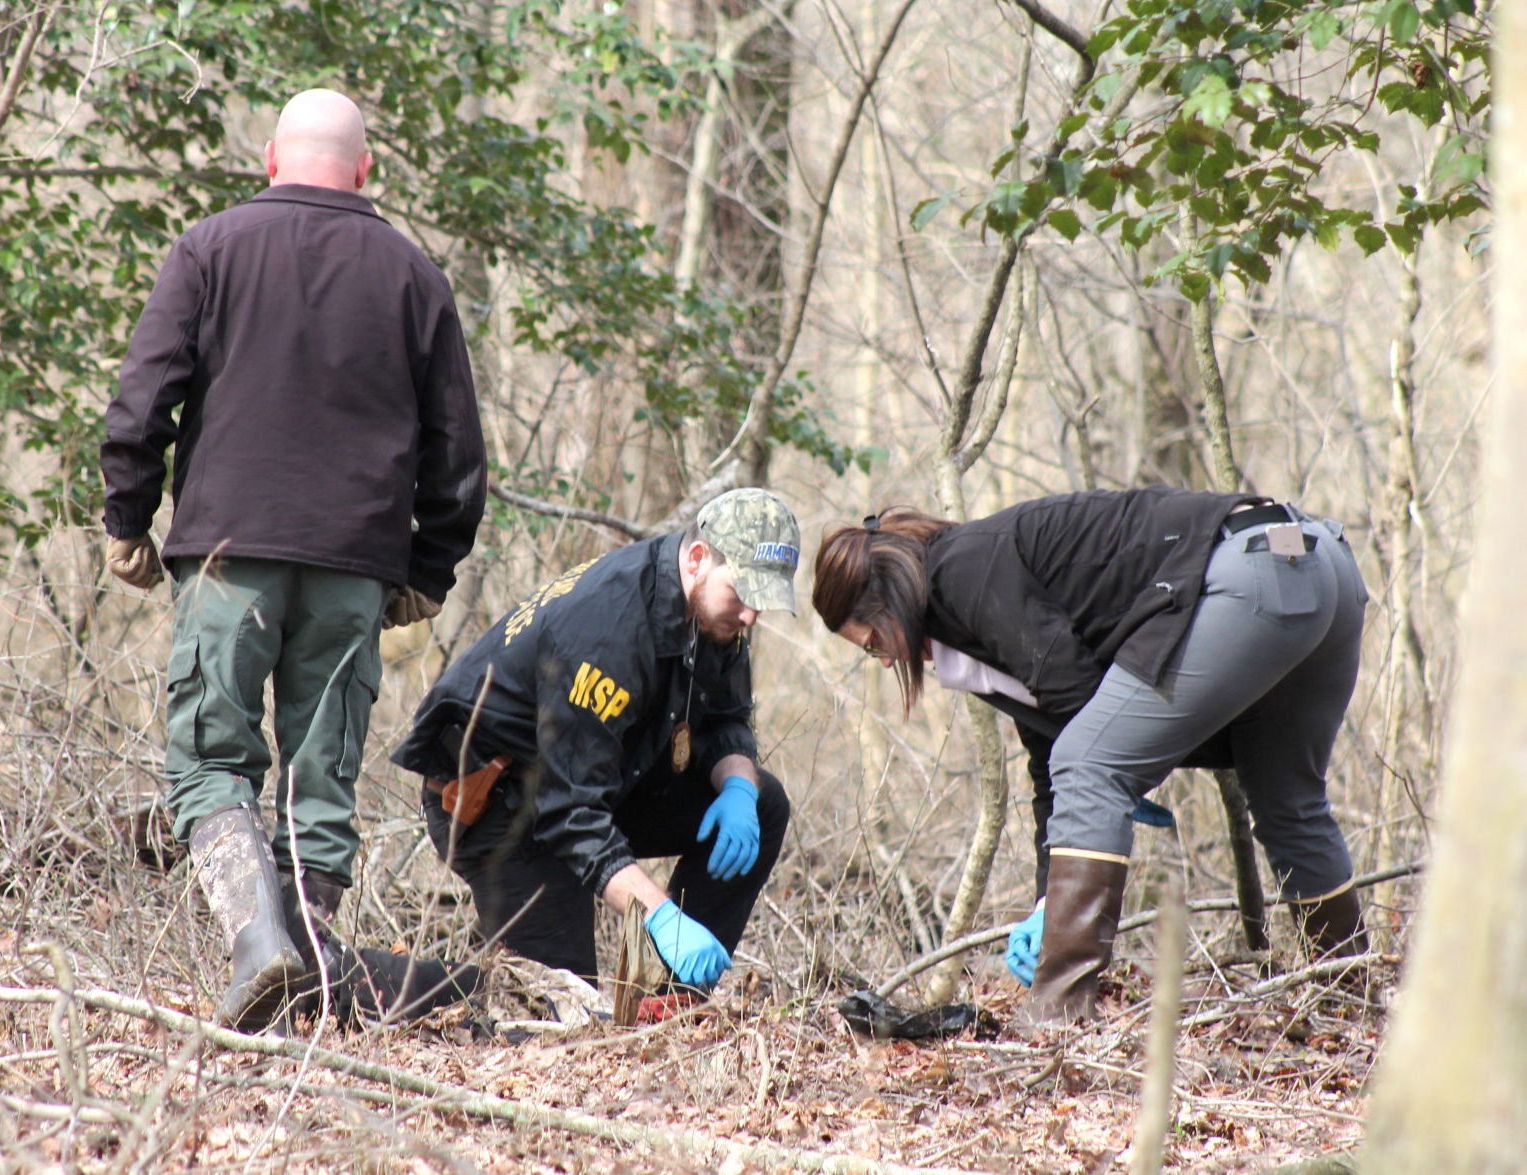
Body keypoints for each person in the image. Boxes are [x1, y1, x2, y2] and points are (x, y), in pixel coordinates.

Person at [99, 89, 488, 1031]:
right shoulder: (414, 276)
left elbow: (144, 396)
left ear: (271, 157)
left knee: (207, 765)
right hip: (354, 566)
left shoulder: (210, 247)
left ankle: (260, 948)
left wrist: (127, 516)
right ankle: (301, 966)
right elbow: (459, 453)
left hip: (230, 555)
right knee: (321, 778)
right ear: (364, 171)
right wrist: (425, 571)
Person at [811, 486, 1371, 1022]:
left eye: (874, 643)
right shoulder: (978, 611)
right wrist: (1043, 907)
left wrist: (1063, 915)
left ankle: (1057, 1024)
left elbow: (1082, 743)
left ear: (890, 603)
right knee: (1289, 801)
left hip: (1250, 575)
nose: (885, 661)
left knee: (1092, 764)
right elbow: (1054, 760)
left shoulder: (961, 569)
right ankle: (1351, 1003)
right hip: (1317, 562)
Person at [391, 488, 799, 999]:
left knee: (763, 800)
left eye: (761, 603)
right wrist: (661, 917)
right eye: (743, 595)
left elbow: (727, 718)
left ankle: (672, 1001)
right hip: (501, 804)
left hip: (602, 778)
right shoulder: (610, 632)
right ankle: (374, 988)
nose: (750, 618)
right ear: (697, 559)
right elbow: (569, 813)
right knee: (562, 1011)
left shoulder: (713, 615)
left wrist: (739, 790)